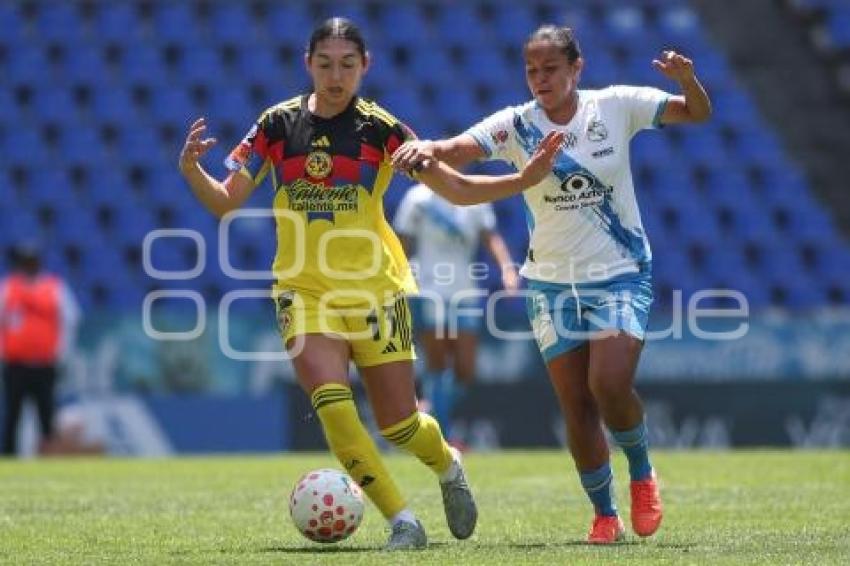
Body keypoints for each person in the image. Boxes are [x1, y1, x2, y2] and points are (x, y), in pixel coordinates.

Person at [177, 18, 562, 550]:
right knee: (333, 405)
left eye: (348, 65)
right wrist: (192, 170)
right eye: (326, 64)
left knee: (400, 424)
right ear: (307, 63)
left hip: (376, 290)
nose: (336, 76)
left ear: (366, 67)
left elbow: (456, 190)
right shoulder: (274, 126)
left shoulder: (383, 132)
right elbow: (225, 200)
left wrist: (522, 180)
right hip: (303, 290)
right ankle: (402, 520)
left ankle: (448, 466)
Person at [392, 25, 711, 543]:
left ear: (576, 67)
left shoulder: (616, 106)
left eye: (551, 69)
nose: (540, 79)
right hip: (551, 284)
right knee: (576, 406)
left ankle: (643, 471)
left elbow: (697, 112)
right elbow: (455, 149)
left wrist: (690, 80)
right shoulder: (516, 125)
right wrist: (424, 148)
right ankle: (604, 514)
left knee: (608, 385)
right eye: (531, 70)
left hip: (621, 272)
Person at [393, 183, 518, 443]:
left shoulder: (475, 196)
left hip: (465, 290)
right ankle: (442, 436)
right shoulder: (418, 199)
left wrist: (507, 269)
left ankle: (428, 410)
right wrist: (393, 279)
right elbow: (401, 242)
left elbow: (490, 236)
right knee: (437, 363)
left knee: (465, 368)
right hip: (429, 288)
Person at [1, 243, 81, 456]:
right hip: (15, 363)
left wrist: (61, 352)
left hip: (44, 363)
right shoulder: (9, 287)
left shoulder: (55, 287)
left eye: (32, 261)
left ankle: (49, 456)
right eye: (25, 262)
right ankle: (9, 457)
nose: (29, 266)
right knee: (12, 414)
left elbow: (70, 320)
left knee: (46, 413)